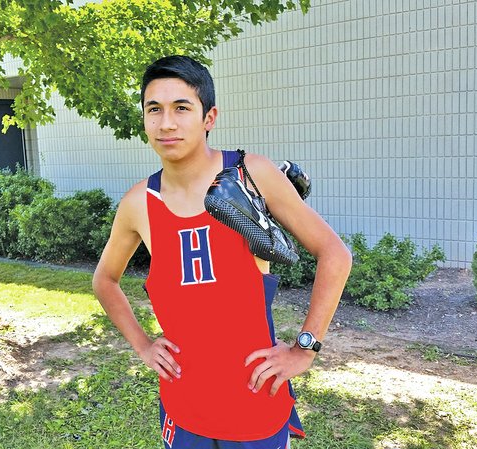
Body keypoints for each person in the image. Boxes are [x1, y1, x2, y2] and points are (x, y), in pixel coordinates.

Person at [92, 55, 352, 448]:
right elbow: (105, 280)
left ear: (208, 117)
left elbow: (334, 253)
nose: (166, 123)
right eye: (154, 109)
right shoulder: (138, 203)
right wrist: (143, 345)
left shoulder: (251, 176)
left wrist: (305, 347)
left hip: (256, 406)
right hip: (183, 408)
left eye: (182, 108)